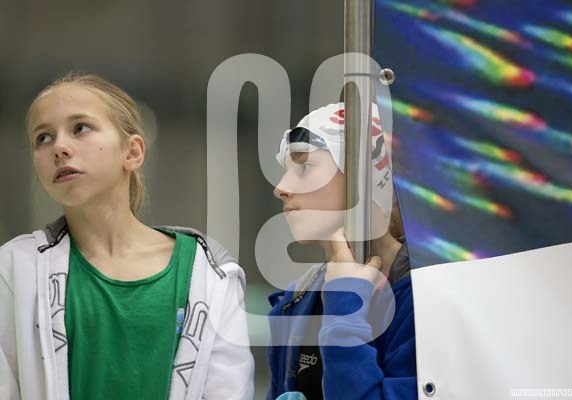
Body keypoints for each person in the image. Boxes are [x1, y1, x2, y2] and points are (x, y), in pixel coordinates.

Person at [0, 73, 254, 400]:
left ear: (132, 152)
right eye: (43, 138)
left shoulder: (209, 274)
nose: (59, 148)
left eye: (80, 128)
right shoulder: (14, 270)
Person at [267, 103, 417, 399]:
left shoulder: (426, 300)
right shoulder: (295, 301)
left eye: (304, 167)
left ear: (365, 178)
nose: (280, 188)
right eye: (287, 170)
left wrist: (345, 310)